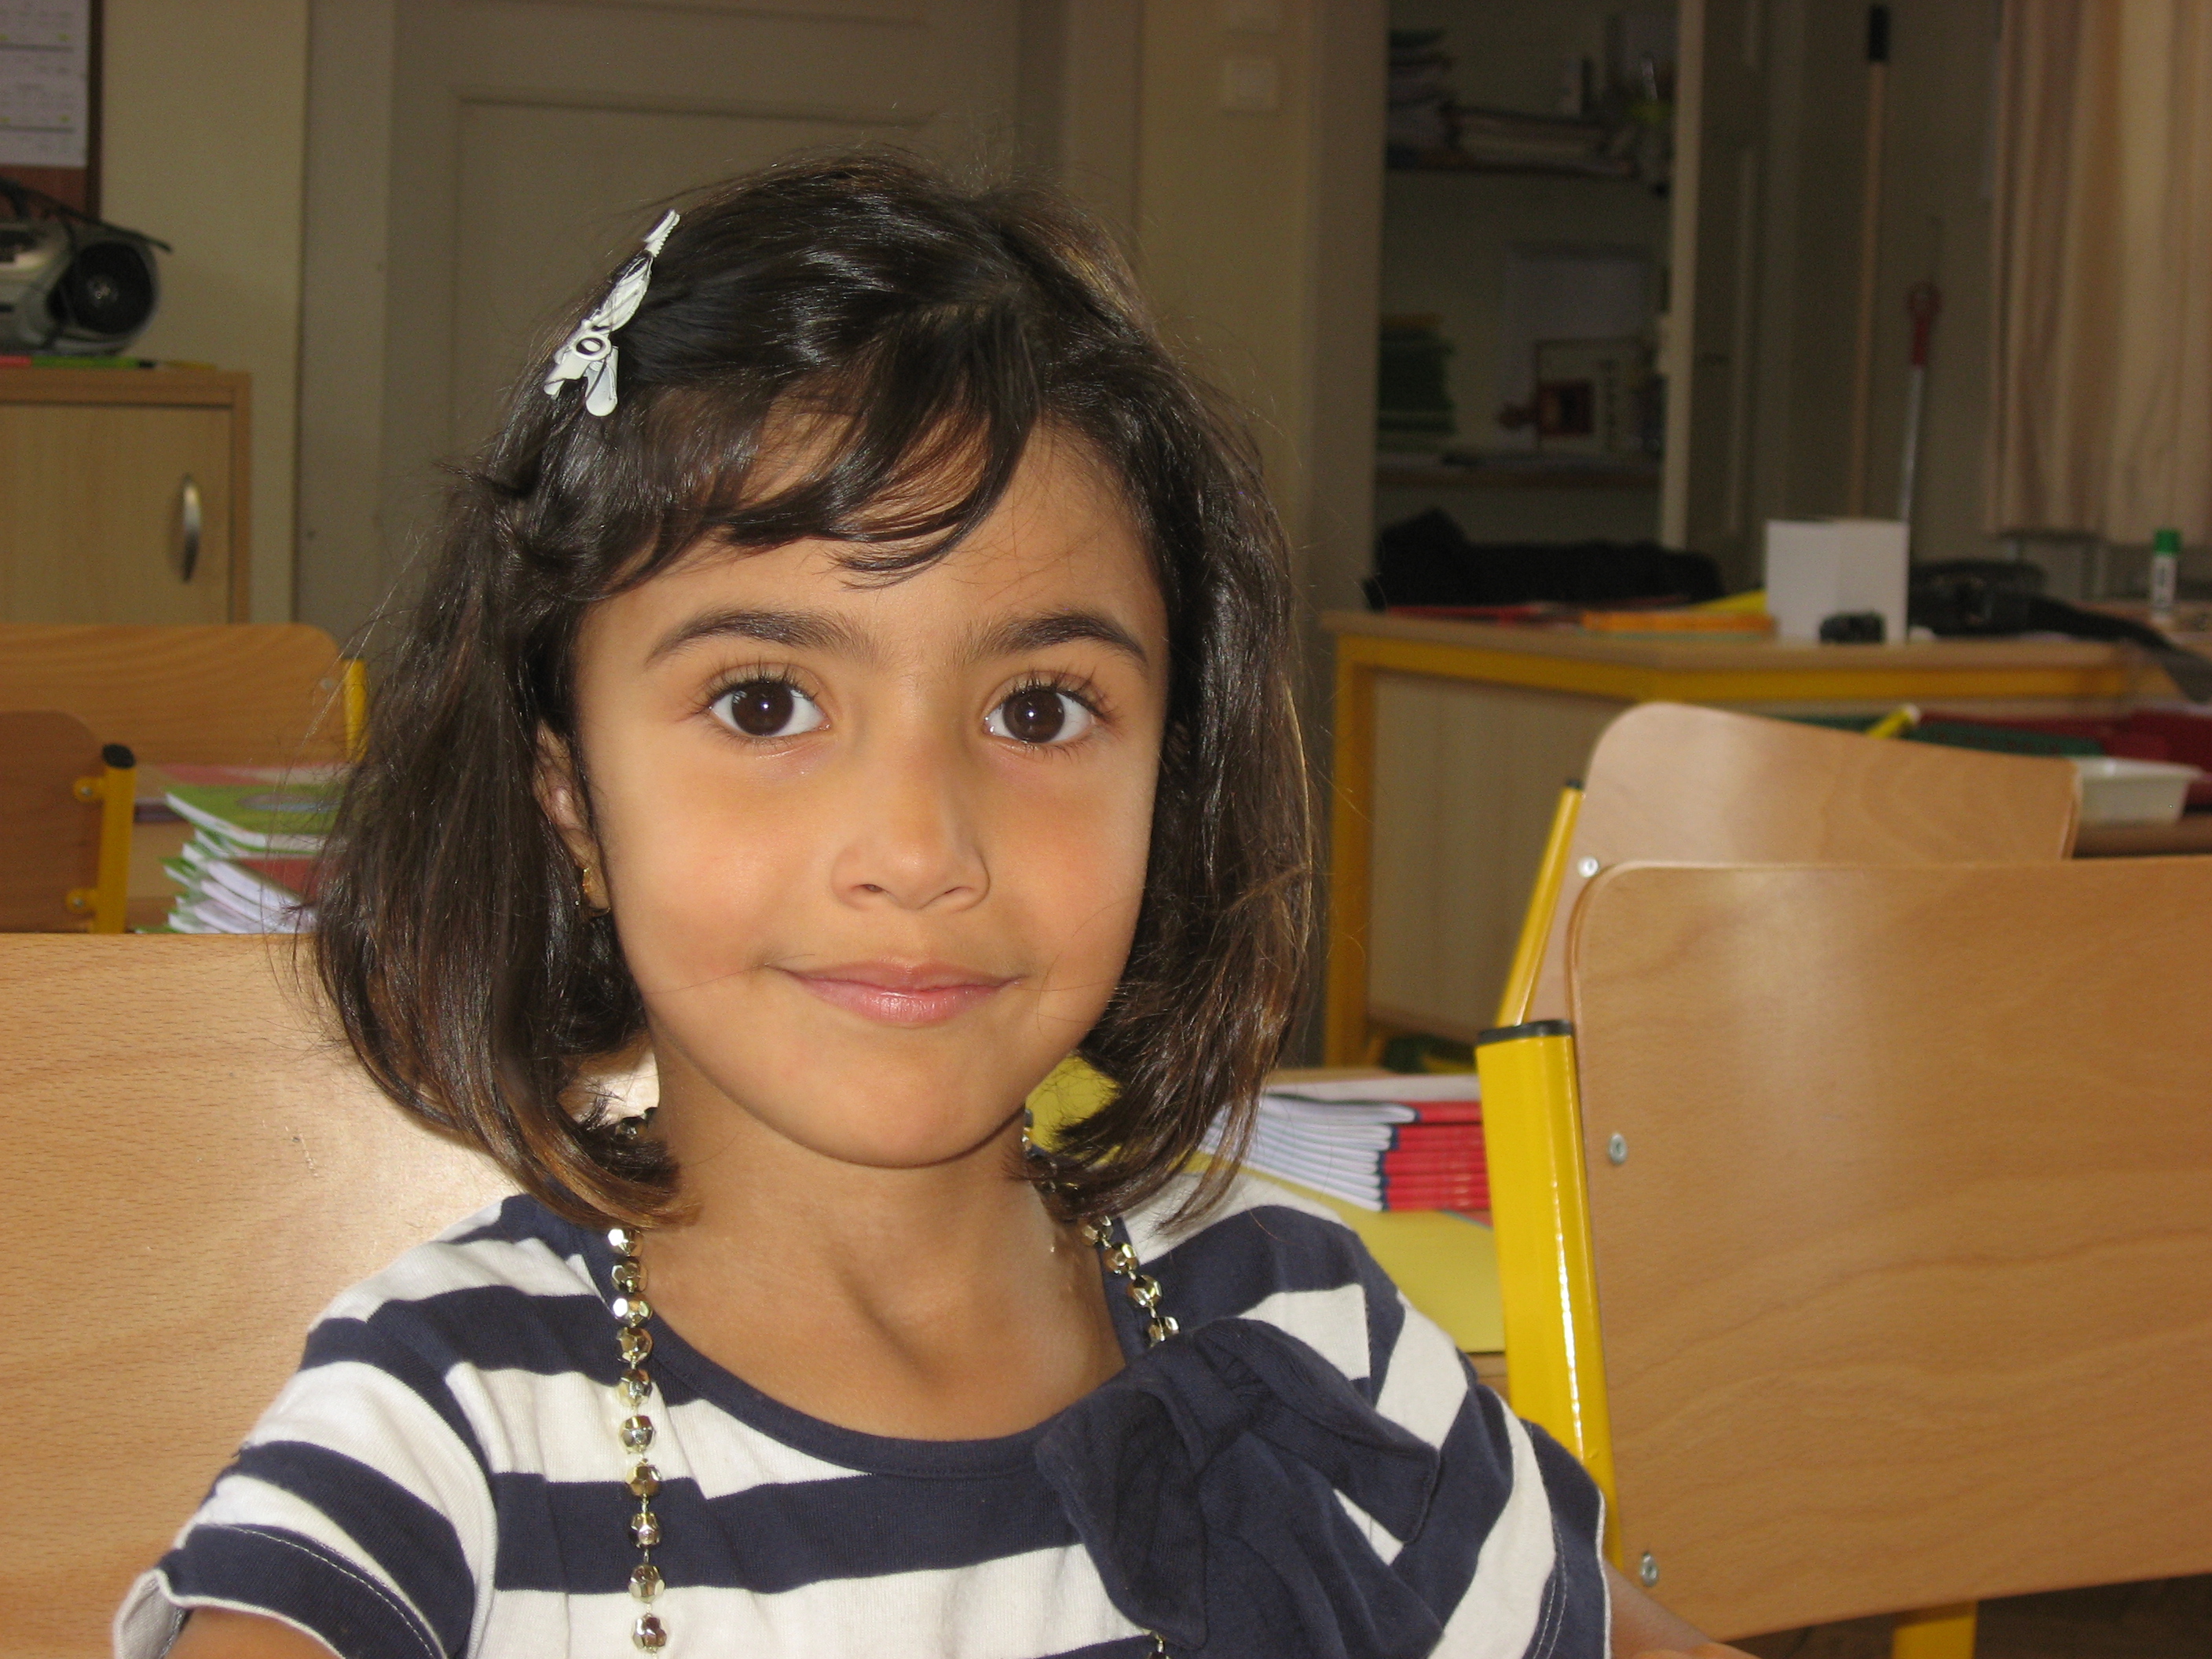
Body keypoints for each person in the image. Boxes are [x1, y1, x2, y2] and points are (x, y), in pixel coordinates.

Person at [118, 154, 1752, 1659]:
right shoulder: (446, 1430)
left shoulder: (1300, 1345)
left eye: (1037, 711)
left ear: (1169, 776)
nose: (918, 849)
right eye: (764, 703)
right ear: (572, 804)